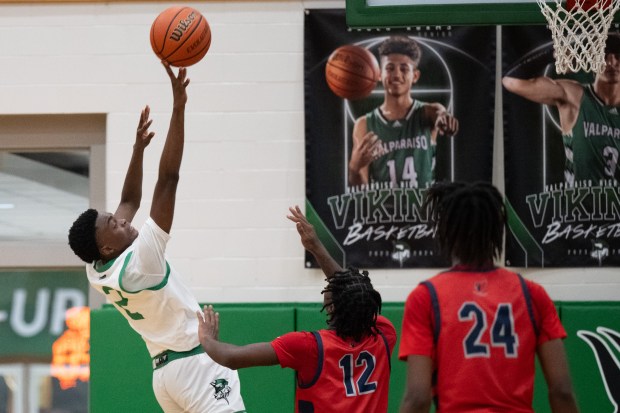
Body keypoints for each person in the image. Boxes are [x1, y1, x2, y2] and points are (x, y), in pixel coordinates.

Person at [67, 62, 246, 413]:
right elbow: (169, 179)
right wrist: (178, 107)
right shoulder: (141, 261)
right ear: (106, 246)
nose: (122, 222)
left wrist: (137, 148)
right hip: (194, 363)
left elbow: (129, 201)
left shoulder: (97, 267)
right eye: (115, 225)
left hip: (165, 376)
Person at [398, 181, 579, 413]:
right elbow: (561, 391)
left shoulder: (426, 297)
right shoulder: (532, 294)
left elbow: (418, 397)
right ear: (496, 230)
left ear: (446, 231)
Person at [196, 206, 397, 413]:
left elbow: (231, 357)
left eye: (329, 287)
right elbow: (354, 293)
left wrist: (207, 339)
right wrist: (315, 246)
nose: (328, 284)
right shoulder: (384, 334)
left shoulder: (309, 346)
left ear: (333, 306)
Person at [502, 33, 620, 186]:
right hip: (580, 207)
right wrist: (552, 53)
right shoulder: (574, 96)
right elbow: (511, 81)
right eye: (604, 55)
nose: (611, 62)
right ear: (592, 58)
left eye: (618, 56)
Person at [348, 35, 459, 188]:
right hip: (383, 211)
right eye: (390, 68)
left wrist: (444, 119)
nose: (396, 75)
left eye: (404, 69)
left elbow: (440, 113)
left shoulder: (428, 113)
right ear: (380, 74)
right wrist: (355, 168)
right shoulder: (364, 124)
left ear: (415, 76)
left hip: (422, 210)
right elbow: (360, 189)